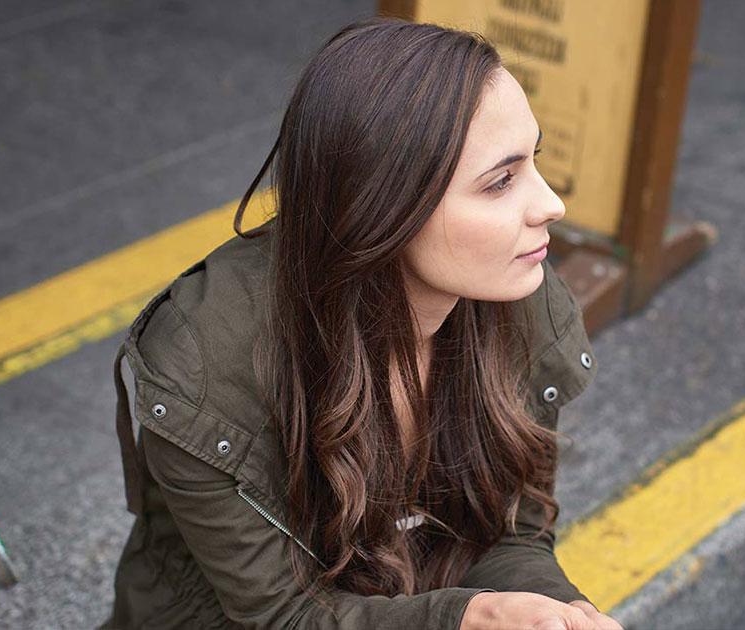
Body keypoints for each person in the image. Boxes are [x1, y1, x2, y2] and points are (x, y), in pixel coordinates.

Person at [102, 15, 623, 630]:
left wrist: (550, 613)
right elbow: (281, 615)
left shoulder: (518, 297)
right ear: (383, 208)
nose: (551, 206)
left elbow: (511, 534)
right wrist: (463, 619)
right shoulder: (203, 365)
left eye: (533, 162)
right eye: (500, 182)